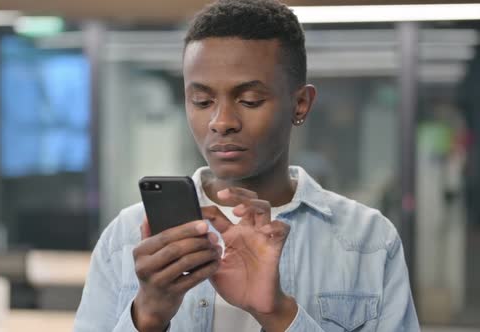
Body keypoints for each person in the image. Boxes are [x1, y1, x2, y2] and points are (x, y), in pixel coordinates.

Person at [73, 0, 419, 331]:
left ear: (300, 104)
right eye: (202, 101)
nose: (221, 121)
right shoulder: (127, 238)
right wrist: (147, 317)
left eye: (250, 100)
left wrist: (279, 315)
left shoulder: (368, 241)